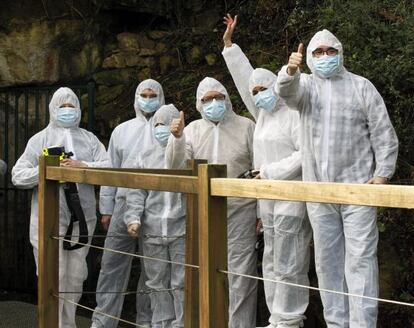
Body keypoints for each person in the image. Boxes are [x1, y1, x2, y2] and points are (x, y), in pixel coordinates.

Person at [276, 29, 398, 327]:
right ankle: (336, 323)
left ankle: (362, 324)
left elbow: (383, 132)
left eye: (331, 51)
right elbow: (286, 93)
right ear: (310, 58)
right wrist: (290, 70)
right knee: (328, 263)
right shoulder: (304, 87)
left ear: (341, 53)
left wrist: (382, 175)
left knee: (360, 261)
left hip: (358, 189)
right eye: (318, 53)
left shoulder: (361, 87)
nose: (325, 57)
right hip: (319, 191)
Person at [222, 14, 311, 328]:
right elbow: (245, 77)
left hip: (291, 197)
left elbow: (304, 155)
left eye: (264, 87)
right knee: (272, 262)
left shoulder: (295, 113)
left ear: (277, 85)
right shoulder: (262, 115)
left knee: (291, 262)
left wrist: (271, 172)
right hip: (268, 201)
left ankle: (290, 318)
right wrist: (230, 47)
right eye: (255, 90)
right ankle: (277, 318)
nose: (259, 92)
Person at [12, 87, 109, 328]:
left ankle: (68, 323)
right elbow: (18, 175)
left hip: (82, 218)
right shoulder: (39, 140)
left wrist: (82, 166)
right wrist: (46, 170)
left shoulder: (89, 139)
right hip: (47, 218)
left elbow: (108, 167)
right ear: (53, 109)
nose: (67, 111)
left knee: (75, 275)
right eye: (62, 106)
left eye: (71, 106)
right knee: (51, 273)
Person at [167, 77, 258, 328]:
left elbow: (258, 169)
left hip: (242, 210)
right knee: (205, 272)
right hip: (203, 213)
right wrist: (175, 138)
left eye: (219, 97)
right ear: (199, 103)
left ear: (228, 98)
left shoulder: (246, 126)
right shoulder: (193, 131)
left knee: (241, 275)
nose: (214, 102)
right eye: (207, 99)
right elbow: (177, 166)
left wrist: (261, 210)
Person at [91, 79, 165, 328]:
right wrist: (107, 208)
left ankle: (147, 322)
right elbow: (111, 170)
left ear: (160, 97)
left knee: (152, 269)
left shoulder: (167, 130)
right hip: (123, 204)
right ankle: (104, 321)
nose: (148, 98)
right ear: (136, 97)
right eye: (143, 94)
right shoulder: (122, 131)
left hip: (156, 206)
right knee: (112, 264)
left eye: (152, 94)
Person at [125, 104, 186, 328]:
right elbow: (136, 191)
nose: (161, 129)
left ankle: (181, 323)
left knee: (182, 282)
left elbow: (178, 162)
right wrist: (133, 218)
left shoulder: (186, 150)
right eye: (157, 124)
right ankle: (161, 323)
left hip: (182, 227)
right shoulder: (144, 156)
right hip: (152, 229)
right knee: (156, 282)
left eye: (165, 124)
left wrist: (178, 139)